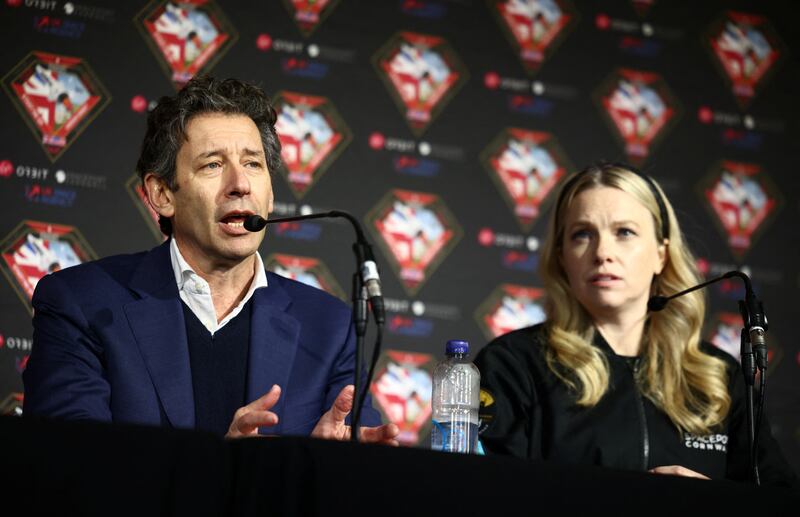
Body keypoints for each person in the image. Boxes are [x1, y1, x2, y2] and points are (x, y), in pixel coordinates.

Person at [23, 75, 399, 445]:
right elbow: (70, 466)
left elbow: (350, 473)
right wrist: (220, 471)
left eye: (253, 164)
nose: (240, 184)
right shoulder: (82, 304)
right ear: (161, 194)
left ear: (270, 196)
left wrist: (327, 464)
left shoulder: (330, 328)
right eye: (212, 165)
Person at [474, 162, 796, 487]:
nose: (602, 253)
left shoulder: (720, 378)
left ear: (661, 254)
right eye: (582, 234)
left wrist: (711, 507)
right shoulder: (512, 366)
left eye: (624, 232)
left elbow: (777, 507)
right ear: (562, 257)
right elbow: (488, 500)